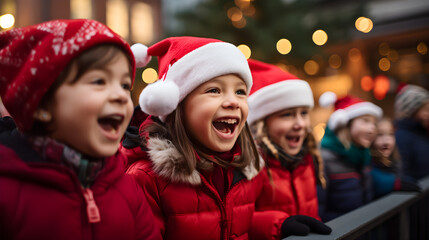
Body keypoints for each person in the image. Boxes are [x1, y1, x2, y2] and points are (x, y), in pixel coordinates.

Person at [0, 19, 160, 240]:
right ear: (42, 105)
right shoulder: (7, 192)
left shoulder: (127, 189)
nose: (121, 96)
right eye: (98, 81)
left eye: (124, 85)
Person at [123, 36, 265, 240]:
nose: (233, 101)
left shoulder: (242, 167)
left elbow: (235, 223)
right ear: (176, 106)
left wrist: (276, 225)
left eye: (240, 91)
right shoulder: (146, 179)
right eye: (214, 90)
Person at [246, 59, 331, 239]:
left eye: (304, 113)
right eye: (287, 115)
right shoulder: (252, 164)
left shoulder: (308, 158)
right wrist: (279, 225)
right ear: (263, 124)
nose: (300, 124)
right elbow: (238, 220)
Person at [317, 92, 382, 222]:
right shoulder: (324, 159)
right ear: (345, 125)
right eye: (365, 121)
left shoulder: (364, 154)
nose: (372, 128)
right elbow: (320, 210)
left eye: (374, 123)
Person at [371, 118, 421, 198]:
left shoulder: (395, 160)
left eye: (391, 134)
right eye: (379, 134)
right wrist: (396, 184)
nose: (386, 141)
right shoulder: (369, 162)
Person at [394, 84, 429, 180]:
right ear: (411, 111)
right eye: (426, 109)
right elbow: (403, 173)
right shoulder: (401, 137)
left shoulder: (422, 132)